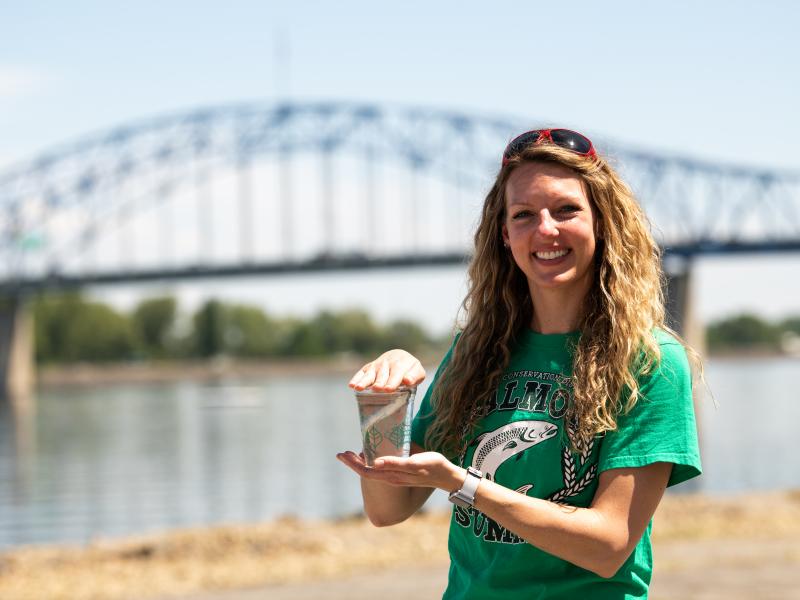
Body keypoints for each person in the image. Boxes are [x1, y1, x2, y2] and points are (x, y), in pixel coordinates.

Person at [337, 128, 702, 599]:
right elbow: (388, 510)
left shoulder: (650, 361)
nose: (545, 229)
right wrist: (385, 406)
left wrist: (464, 484)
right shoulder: (476, 350)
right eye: (524, 214)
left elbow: (608, 545)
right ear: (506, 236)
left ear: (603, 223)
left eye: (566, 209)